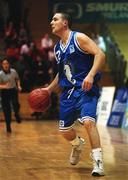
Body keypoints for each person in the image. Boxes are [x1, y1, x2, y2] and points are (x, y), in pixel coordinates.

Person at [43, 12, 106, 176]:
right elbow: (61, 74)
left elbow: (100, 54)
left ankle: (98, 161)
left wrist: (91, 75)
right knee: (64, 131)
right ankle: (78, 144)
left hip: (85, 89)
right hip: (68, 93)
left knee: (88, 122)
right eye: (51, 19)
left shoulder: (79, 38)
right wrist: (48, 89)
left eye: (55, 19)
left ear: (65, 23)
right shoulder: (57, 48)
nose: (51, 22)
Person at [0, 58, 22, 133]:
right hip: (4, 92)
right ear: (2, 65)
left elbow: (17, 79)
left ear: (9, 65)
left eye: (7, 63)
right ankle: (8, 126)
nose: (5, 65)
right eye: (4, 64)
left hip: (13, 90)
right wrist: (4, 86)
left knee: (16, 104)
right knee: (7, 110)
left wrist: (19, 86)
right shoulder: (0, 74)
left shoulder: (13, 71)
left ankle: (16, 115)